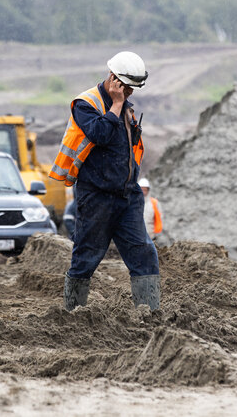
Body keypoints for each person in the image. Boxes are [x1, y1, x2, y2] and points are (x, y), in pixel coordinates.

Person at [50, 51, 160, 311]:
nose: (131, 94)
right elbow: (99, 134)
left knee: (145, 254)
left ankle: (150, 315)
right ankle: (73, 314)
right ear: (114, 80)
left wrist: (122, 105)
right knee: (86, 258)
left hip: (127, 196)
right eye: (128, 89)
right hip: (96, 197)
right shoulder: (85, 104)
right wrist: (116, 105)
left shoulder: (126, 108)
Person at [138, 178, 164, 244]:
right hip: (137, 237)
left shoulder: (154, 203)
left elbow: (159, 217)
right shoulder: (133, 203)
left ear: (148, 190)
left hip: (151, 236)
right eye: (141, 189)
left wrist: (157, 233)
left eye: (145, 190)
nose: (143, 192)